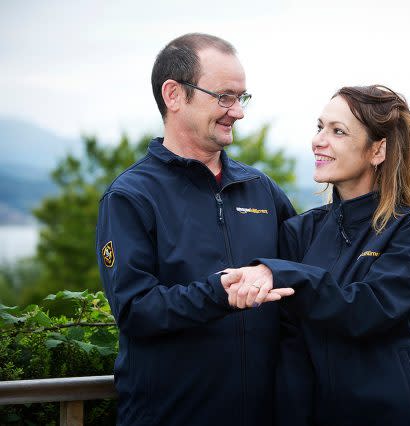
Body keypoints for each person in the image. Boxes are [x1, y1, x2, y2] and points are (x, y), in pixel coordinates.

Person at [95, 33, 296, 426]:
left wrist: (393, 355)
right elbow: (136, 311)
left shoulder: (260, 188)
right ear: (174, 95)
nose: (237, 111)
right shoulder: (130, 196)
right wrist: (219, 294)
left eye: (242, 97)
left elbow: (315, 274)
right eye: (224, 96)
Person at [222, 85, 410, 425]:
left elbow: (369, 308)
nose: (318, 140)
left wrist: (282, 274)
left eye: (338, 131)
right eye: (319, 127)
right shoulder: (300, 232)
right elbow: (288, 343)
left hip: (394, 414)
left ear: (378, 150)